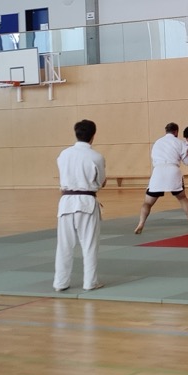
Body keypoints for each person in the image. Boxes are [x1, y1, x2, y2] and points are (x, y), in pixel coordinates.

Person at [54, 119, 106, 292]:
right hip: (86, 201)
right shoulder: (96, 157)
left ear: (76, 134)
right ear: (93, 136)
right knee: (89, 245)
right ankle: (90, 282)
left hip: (66, 201)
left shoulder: (63, 154)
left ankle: (60, 283)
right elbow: (101, 182)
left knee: (64, 245)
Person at [134, 122, 188, 234]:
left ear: (166, 131)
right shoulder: (180, 143)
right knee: (182, 198)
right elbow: (187, 161)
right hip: (173, 170)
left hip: (158, 171)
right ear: (176, 132)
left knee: (147, 202)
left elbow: (154, 158)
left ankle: (141, 223)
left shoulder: (157, 143)